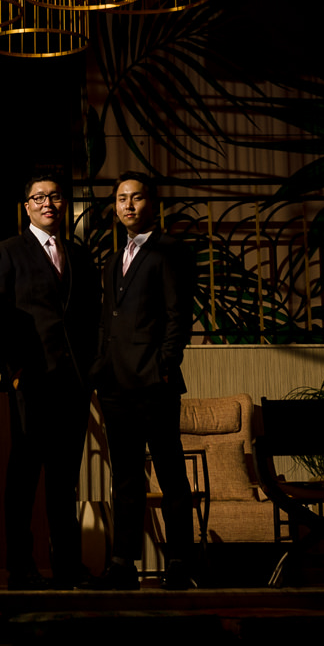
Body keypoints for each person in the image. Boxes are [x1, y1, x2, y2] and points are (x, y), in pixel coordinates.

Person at [0, 169, 100, 589]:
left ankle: (67, 566)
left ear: (64, 204)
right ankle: (21, 567)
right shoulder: (8, 251)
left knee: (63, 480)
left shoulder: (79, 255)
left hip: (72, 384)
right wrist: (13, 372)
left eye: (54, 196)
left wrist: (90, 371)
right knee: (23, 478)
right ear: (26, 206)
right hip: (30, 382)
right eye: (39, 197)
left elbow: (90, 317)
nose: (47, 204)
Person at [88, 171, 198, 590]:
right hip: (115, 384)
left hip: (154, 381)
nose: (128, 205)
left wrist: (165, 365)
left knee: (170, 475)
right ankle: (122, 564)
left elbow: (178, 315)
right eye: (121, 199)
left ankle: (180, 562)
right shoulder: (113, 259)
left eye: (136, 198)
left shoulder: (171, 250)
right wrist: (100, 367)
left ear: (152, 203)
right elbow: (107, 319)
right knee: (126, 478)